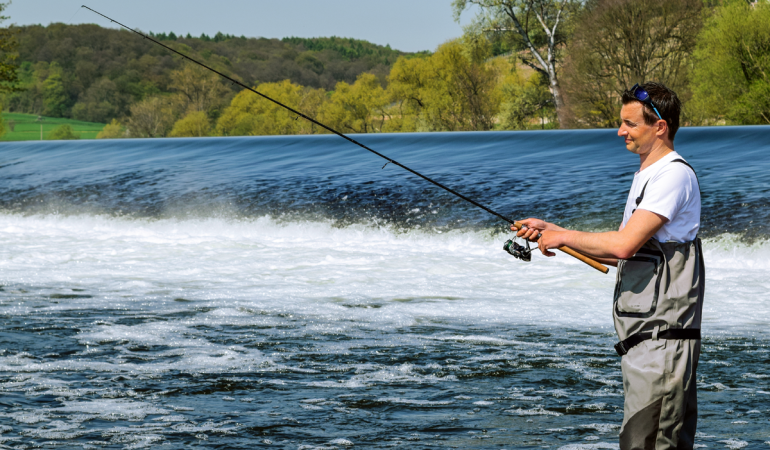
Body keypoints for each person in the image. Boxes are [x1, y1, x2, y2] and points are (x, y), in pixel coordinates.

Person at [515, 82, 704, 450]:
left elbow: (624, 245)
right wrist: (552, 231)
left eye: (630, 124)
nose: (621, 132)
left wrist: (565, 237)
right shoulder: (648, 176)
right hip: (644, 343)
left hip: (662, 344)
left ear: (660, 127)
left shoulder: (673, 175)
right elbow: (627, 251)